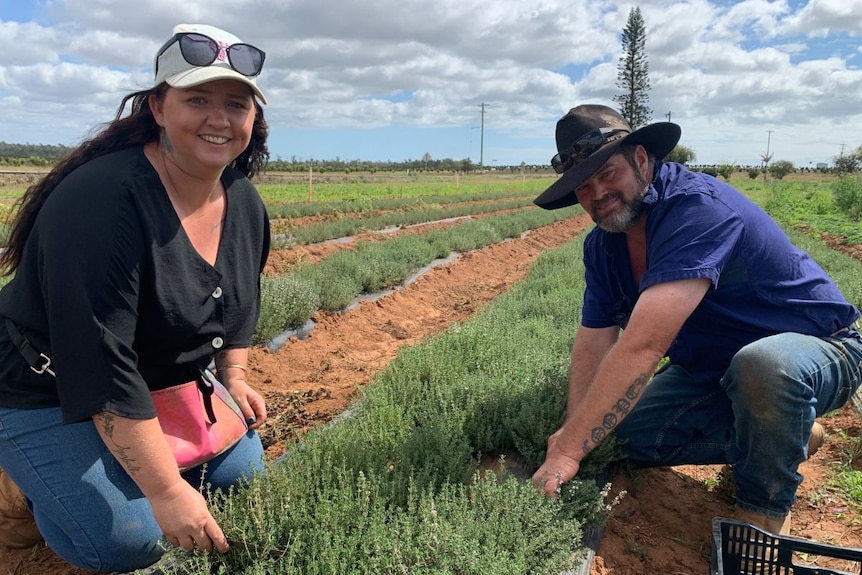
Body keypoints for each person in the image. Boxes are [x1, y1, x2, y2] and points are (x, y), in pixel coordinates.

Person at [0, 23, 271, 572]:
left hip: (155, 381)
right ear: (157, 107)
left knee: (242, 480)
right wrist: (168, 493)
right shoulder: (105, 202)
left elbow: (238, 303)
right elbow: (101, 363)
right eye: (198, 99)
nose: (220, 119)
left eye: (236, 104)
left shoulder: (241, 201)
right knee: (127, 540)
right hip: (43, 385)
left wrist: (233, 375)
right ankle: (18, 488)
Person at [530, 104, 862, 535]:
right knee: (617, 436)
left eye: (607, 173)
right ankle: (789, 434)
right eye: (583, 187)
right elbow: (594, 342)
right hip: (711, 369)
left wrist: (568, 453)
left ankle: (759, 513)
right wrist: (577, 435)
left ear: (641, 159)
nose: (598, 194)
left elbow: (644, 346)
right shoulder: (603, 247)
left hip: (816, 351)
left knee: (764, 365)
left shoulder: (697, 210)